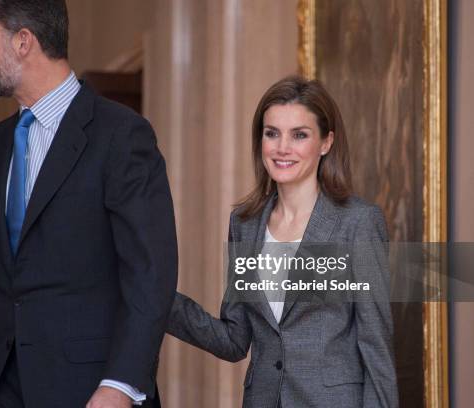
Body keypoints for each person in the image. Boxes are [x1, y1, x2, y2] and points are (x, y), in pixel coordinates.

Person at [0, 1, 177, 407]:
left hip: (88, 392)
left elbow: (150, 275)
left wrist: (121, 385)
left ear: (23, 41)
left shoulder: (122, 135)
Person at [167, 76, 398, 407]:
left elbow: (376, 345)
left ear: (326, 142)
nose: (282, 148)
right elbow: (234, 339)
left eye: (299, 135)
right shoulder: (244, 225)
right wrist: (153, 296)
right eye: (271, 133)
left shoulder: (358, 223)